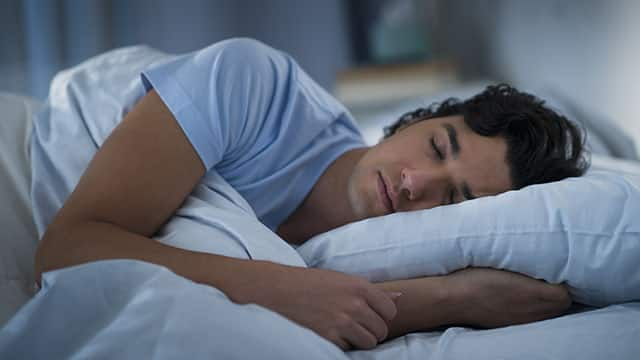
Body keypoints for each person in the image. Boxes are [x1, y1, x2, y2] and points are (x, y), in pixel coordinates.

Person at [32, 38, 587, 351]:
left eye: (455, 200)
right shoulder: (253, 86)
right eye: (439, 148)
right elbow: (67, 250)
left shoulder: (403, 256)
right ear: (417, 119)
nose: (416, 183)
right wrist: (279, 288)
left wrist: (459, 297)